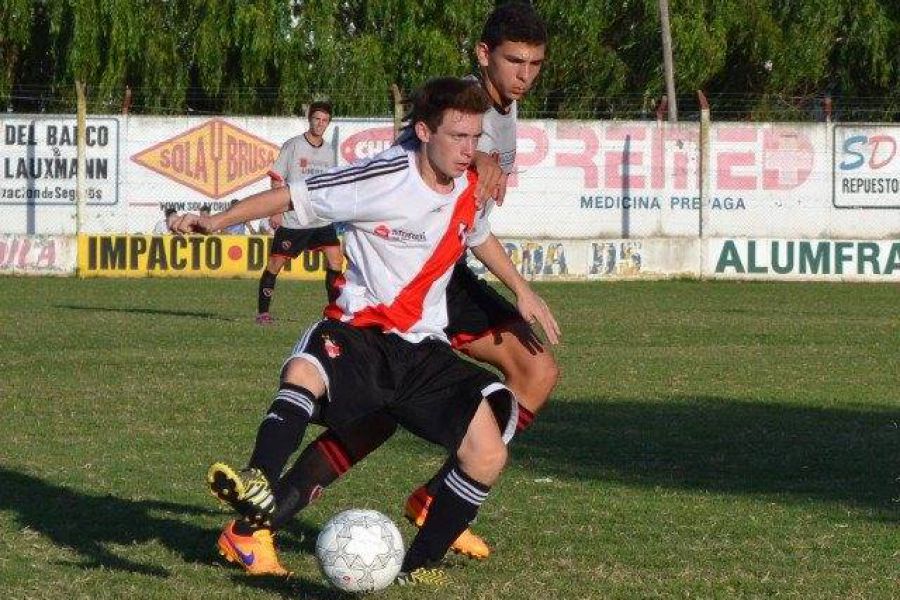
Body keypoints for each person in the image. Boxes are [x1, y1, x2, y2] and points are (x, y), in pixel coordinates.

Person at [174, 77, 558, 584]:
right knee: (305, 370)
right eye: (458, 138)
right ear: (422, 131)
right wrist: (217, 220)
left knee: (488, 453)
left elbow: (479, 235)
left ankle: (416, 569)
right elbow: (291, 196)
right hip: (362, 334)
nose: (470, 151)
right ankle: (258, 478)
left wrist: (520, 288)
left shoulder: (468, 186)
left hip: (422, 350)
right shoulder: (380, 177)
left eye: (475, 139)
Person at [252, 1, 554, 561]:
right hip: (422, 274)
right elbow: (425, 149)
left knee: (531, 371)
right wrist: (479, 156)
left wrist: (518, 283)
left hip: (446, 265)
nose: (525, 75)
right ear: (484, 56)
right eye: (515, 61)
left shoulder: (505, 105)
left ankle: (438, 496)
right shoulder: (462, 101)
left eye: (536, 64)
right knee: (383, 414)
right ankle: (260, 522)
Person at [257, 101, 343, 325]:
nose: (320, 124)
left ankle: (332, 314)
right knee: (275, 264)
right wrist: (276, 210)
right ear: (309, 119)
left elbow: (332, 182)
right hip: (294, 218)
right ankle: (263, 313)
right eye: (317, 119)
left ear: (328, 123)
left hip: (320, 218)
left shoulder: (330, 150)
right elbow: (277, 177)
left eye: (324, 120)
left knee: (336, 260)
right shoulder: (293, 145)